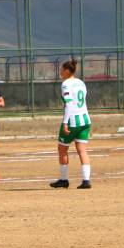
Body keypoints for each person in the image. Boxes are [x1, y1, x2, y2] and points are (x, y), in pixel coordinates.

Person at [50, 60, 92, 189]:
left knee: (62, 150)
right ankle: (86, 181)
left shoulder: (66, 84)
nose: (60, 72)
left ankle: (64, 180)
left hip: (72, 120)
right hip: (85, 120)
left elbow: (69, 104)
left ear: (67, 71)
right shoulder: (81, 82)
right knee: (82, 151)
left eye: (61, 70)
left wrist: (65, 123)